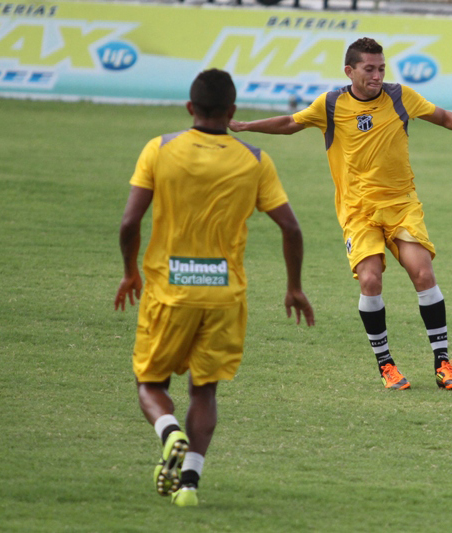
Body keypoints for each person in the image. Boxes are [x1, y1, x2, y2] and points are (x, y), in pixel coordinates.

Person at [230, 37, 452, 390]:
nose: (377, 76)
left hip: (401, 205)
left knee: (423, 273)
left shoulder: (399, 97)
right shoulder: (331, 105)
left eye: (381, 68)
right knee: (370, 280)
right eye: (369, 69)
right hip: (358, 211)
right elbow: (290, 122)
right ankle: (386, 364)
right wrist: (244, 126)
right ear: (350, 71)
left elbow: (441, 115)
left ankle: (443, 363)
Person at [114, 68, 314, 507]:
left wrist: (131, 271)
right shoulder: (255, 159)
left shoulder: (160, 149)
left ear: (190, 108)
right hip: (225, 296)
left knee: (150, 383)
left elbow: (129, 222)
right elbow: (291, 228)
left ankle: (169, 434)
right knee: (204, 391)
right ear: (232, 112)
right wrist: (294, 286)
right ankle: (188, 485)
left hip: (170, 291)